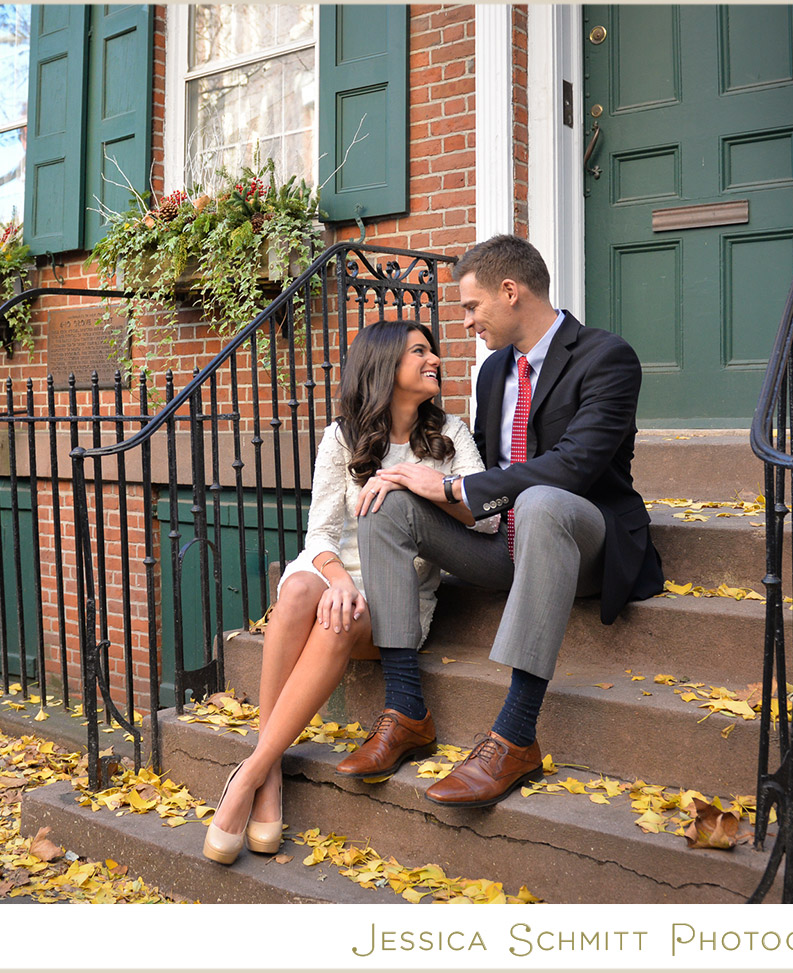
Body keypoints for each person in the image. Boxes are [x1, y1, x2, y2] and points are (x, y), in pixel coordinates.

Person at [344, 234, 664, 807]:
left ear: (510, 291)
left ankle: (515, 734)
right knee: (386, 500)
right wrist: (414, 482)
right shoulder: (493, 372)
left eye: (471, 307)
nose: (465, 323)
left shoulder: (606, 357)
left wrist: (449, 486)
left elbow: (575, 465)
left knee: (541, 499)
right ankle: (405, 710)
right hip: (502, 545)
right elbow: (486, 466)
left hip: (585, 540)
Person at [203, 318, 495, 864]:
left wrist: (415, 481)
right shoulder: (342, 438)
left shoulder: (451, 436)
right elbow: (319, 532)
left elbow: (486, 524)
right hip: (335, 573)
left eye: (433, 351)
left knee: (336, 618)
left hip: (396, 596)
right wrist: (337, 579)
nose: (434, 359)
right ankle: (267, 777)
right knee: (296, 595)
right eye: (419, 351)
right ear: (384, 365)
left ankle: (249, 775)